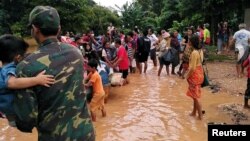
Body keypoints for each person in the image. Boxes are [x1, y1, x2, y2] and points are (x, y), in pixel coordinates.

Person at [13, 6, 95, 140]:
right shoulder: (76, 53)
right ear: (59, 29)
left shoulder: (26, 67)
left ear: (35, 29)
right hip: (85, 134)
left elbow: (26, 122)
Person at [0, 34, 55, 127]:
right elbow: (11, 83)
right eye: (23, 55)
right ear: (18, 58)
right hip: (18, 116)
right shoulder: (9, 69)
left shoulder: (2, 69)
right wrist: (37, 80)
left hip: (9, 115)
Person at [185, 34, 204, 120]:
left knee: (196, 97)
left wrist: (186, 76)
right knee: (195, 95)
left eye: (189, 41)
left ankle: (200, 117)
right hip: (200, 74)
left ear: (191, 43)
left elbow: (192, 67)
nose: (188, 42)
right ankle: (194, 112)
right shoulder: (200, 51)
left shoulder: (194, 53)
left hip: (195, 76)